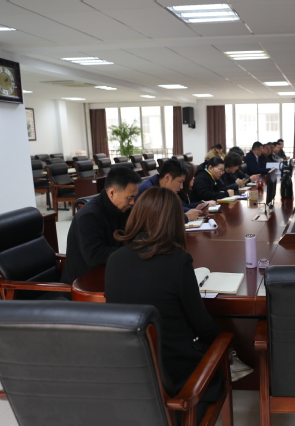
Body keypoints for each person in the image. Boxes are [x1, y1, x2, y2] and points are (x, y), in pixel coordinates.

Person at [104, 187, 223, 422]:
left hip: (129, 371)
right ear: (173, 222)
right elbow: (201, 325)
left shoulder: (114, 259)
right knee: (220, 346)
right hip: (175, 378)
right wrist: (224, 343)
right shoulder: (177, 261)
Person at [61, 166, 141, 284]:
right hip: (84, 282)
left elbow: (131, 235)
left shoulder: (122, 209)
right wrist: (133, 250)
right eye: (130, 197)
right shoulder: (89, 216)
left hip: (111, 270)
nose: (132, 202)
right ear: (112, 192)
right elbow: (95, 256)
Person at [136, 158, 208, 222]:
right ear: (167, 177)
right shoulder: (148, 190)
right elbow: (155, 219)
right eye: (180, 182)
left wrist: (195, 211)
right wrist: (185, 217)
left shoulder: (164, 188)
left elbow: (172, 209)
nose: (181, 187)